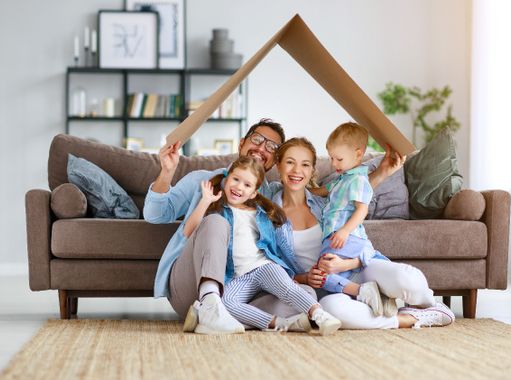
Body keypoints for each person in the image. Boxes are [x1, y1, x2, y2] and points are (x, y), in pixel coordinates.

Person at [272, 136, 455, 329]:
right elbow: (270, 266)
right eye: (290, 162)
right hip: (328, 288)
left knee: (409, 279)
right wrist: (304, 278)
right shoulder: (269, 215)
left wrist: (349, 263)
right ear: (278, 165)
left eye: (305, 164)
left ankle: (430, 306)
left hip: (359, 268)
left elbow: (354, 190)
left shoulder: (328, 204)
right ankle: (410, 318)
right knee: (331, 310)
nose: (296, 171)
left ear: (312, 171)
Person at [144, 119, 294, 335]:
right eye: (257, 139)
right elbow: (154, 215)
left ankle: (225, 315)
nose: (262, 148)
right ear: (241, 143)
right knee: (215, 221)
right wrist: (167, 172)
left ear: (275, 160)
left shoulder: (274, 197)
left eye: (271, 147)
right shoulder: (203, 181)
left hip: (241, 292)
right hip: (190, 286)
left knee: (303, 294)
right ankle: (210, 305)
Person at [182, 156, 341, 335]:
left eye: (247, 185)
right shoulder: (217, 211)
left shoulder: (261, 214)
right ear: (226, 179)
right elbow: (189, 233)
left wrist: (292, 274)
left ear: (254, 193)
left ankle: (320, 315)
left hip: (263, 267)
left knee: (288, 289)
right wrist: (205, 200)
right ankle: (279, 323)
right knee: (226, 302)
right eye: (235, 180)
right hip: (237, 276)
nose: (239, 187)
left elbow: (279, 247)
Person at [312, 122, 397, 317]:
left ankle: (366, 292)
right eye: (332, 158)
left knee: (322, 274)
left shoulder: (358, 179)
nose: (334, 164)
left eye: (338, 159)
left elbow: (362, 209)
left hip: (345, 238)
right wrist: (302, 190)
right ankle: (375, 298)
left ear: (358, 154)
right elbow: (322, 191)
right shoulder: (342, 179)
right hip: (338, 238)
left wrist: (344, 231)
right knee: (326, 278)